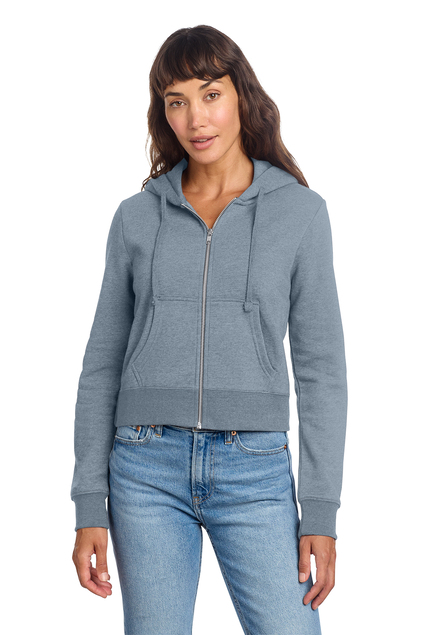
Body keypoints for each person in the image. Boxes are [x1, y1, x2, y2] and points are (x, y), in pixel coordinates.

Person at [71, 24, 348, 635]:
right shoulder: (136, 217)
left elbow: (322, 370)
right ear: (163, 113)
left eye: (210, 94)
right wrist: (89, 501)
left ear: (241, 95)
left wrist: (320, 510)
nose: (195, 118)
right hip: (144, 467)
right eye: (177, 101)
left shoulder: (301, 213)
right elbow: (102, 364)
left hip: (255, 469)